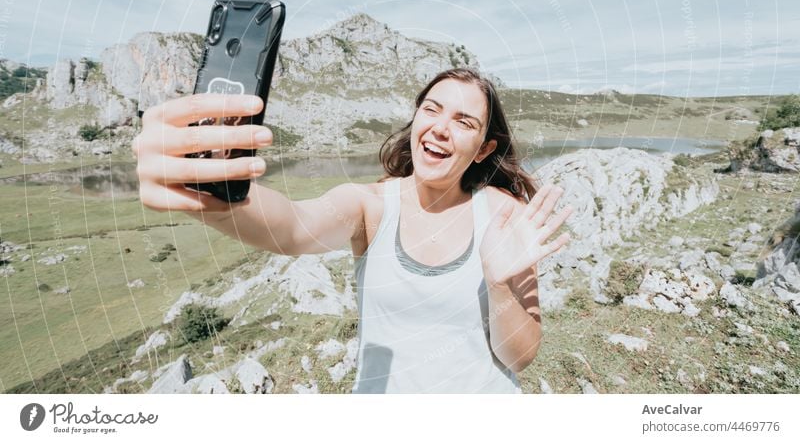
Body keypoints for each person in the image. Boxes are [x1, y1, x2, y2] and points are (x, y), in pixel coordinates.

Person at [133, 67, 573, 393]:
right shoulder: (370, 205)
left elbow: (522, 355)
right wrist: (203, 184)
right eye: (431, 109)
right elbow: (290, 228)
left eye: (464, 122)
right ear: (416, 120)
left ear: (483, 149)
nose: (440, 127)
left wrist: (498, 285)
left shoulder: (504, 215)